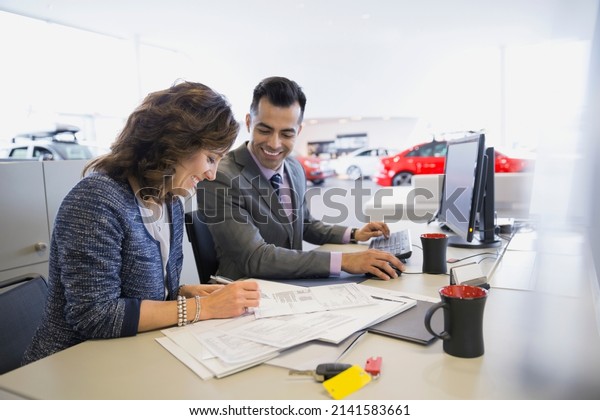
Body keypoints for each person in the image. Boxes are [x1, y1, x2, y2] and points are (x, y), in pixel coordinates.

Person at [23, 81, 260, 365]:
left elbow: (148, 294)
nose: (211, 174)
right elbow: (96, 316)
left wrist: (185, 293)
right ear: (176, 143)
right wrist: (203, 307)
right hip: (73, 365)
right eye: (210, 158)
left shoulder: (169, 198)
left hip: (133, 355)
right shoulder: (96, 199)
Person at [199, 76, 404, 280]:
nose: (274, 143)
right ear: (248, 122)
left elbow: (303, 223)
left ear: (299, 131)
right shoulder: (221, 177)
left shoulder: (294, 168)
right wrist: (345, 261)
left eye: (287, 134)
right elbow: (255, 258)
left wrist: (354, 234)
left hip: (294, 286)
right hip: (245, 294)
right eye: (264, 130)